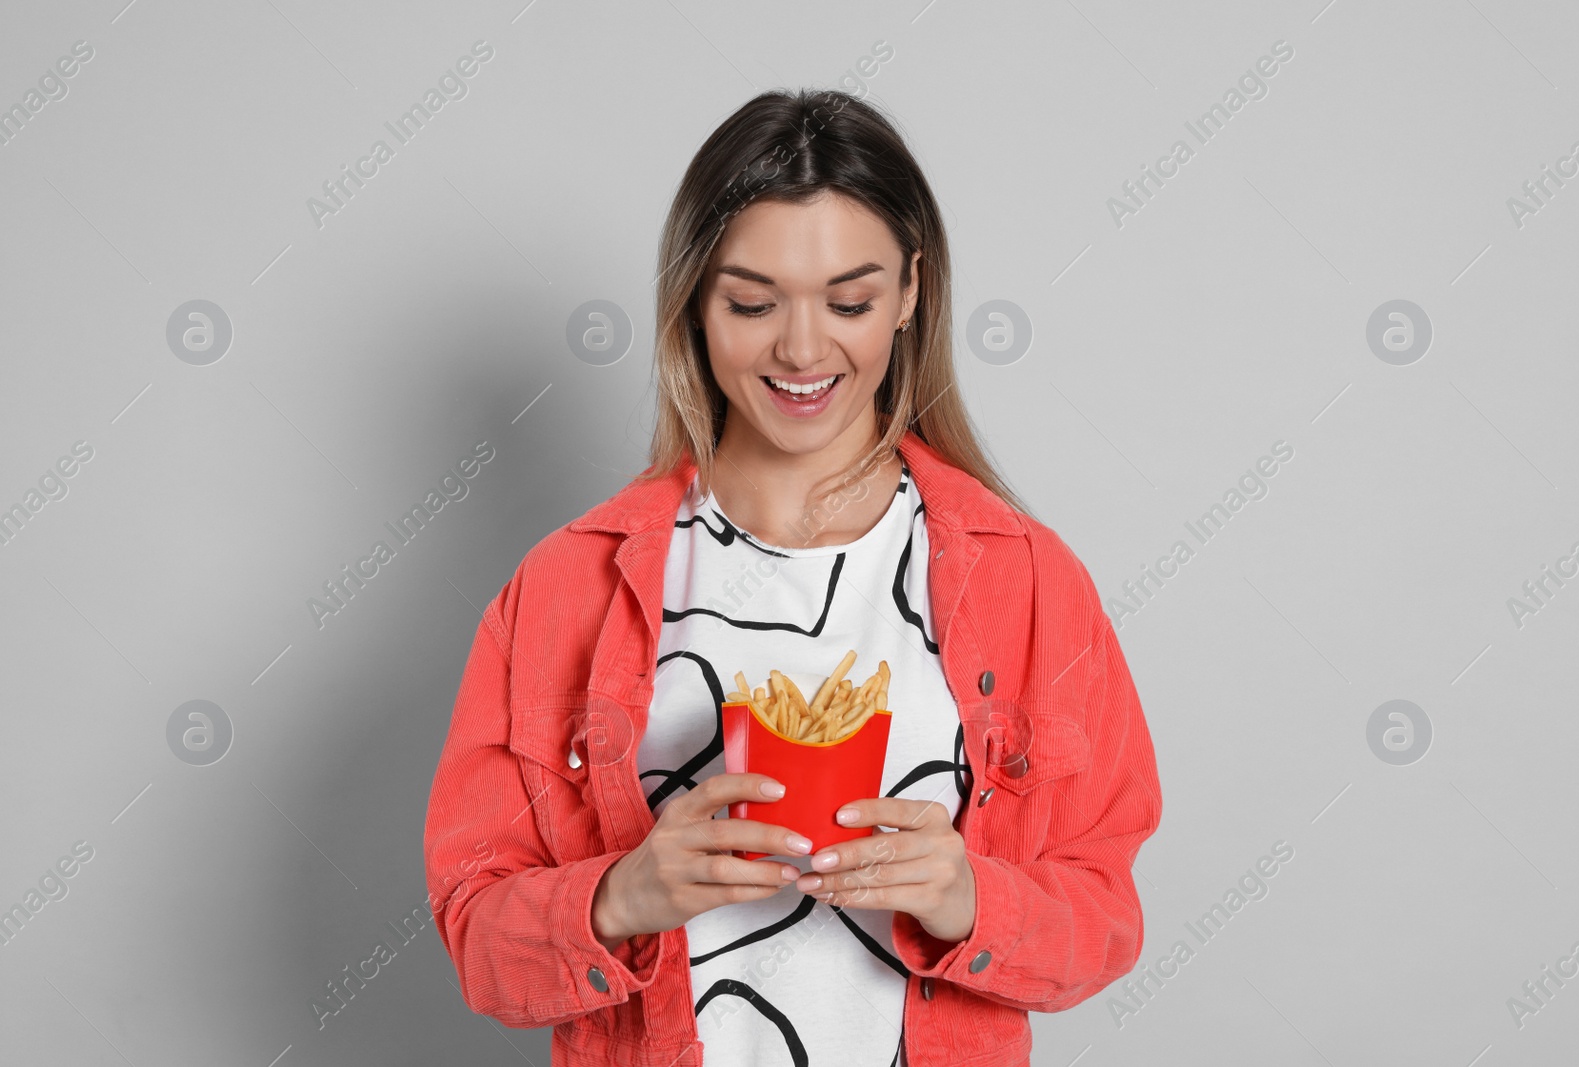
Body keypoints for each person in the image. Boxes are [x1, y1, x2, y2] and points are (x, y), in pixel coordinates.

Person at [423, 88, 1162, 1067]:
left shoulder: (1027, 581)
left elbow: (1103, 919)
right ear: (692, 300)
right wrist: (622, 894)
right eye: (751, 301)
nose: (803, 349)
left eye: (848, 300)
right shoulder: (566, 586)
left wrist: (964, 896)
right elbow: (478, 938)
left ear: (909, 293)